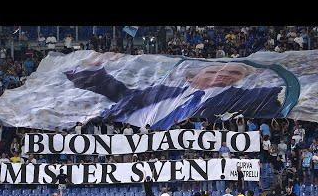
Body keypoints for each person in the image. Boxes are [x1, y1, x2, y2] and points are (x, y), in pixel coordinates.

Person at [64, 61, 287, 131]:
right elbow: (122, 94)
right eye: (212, 71)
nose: (222, 75)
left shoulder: (245, 97)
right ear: (191, 78)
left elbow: (280, 95)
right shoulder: (161, 93)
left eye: (234, 73)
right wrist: (94, 72)